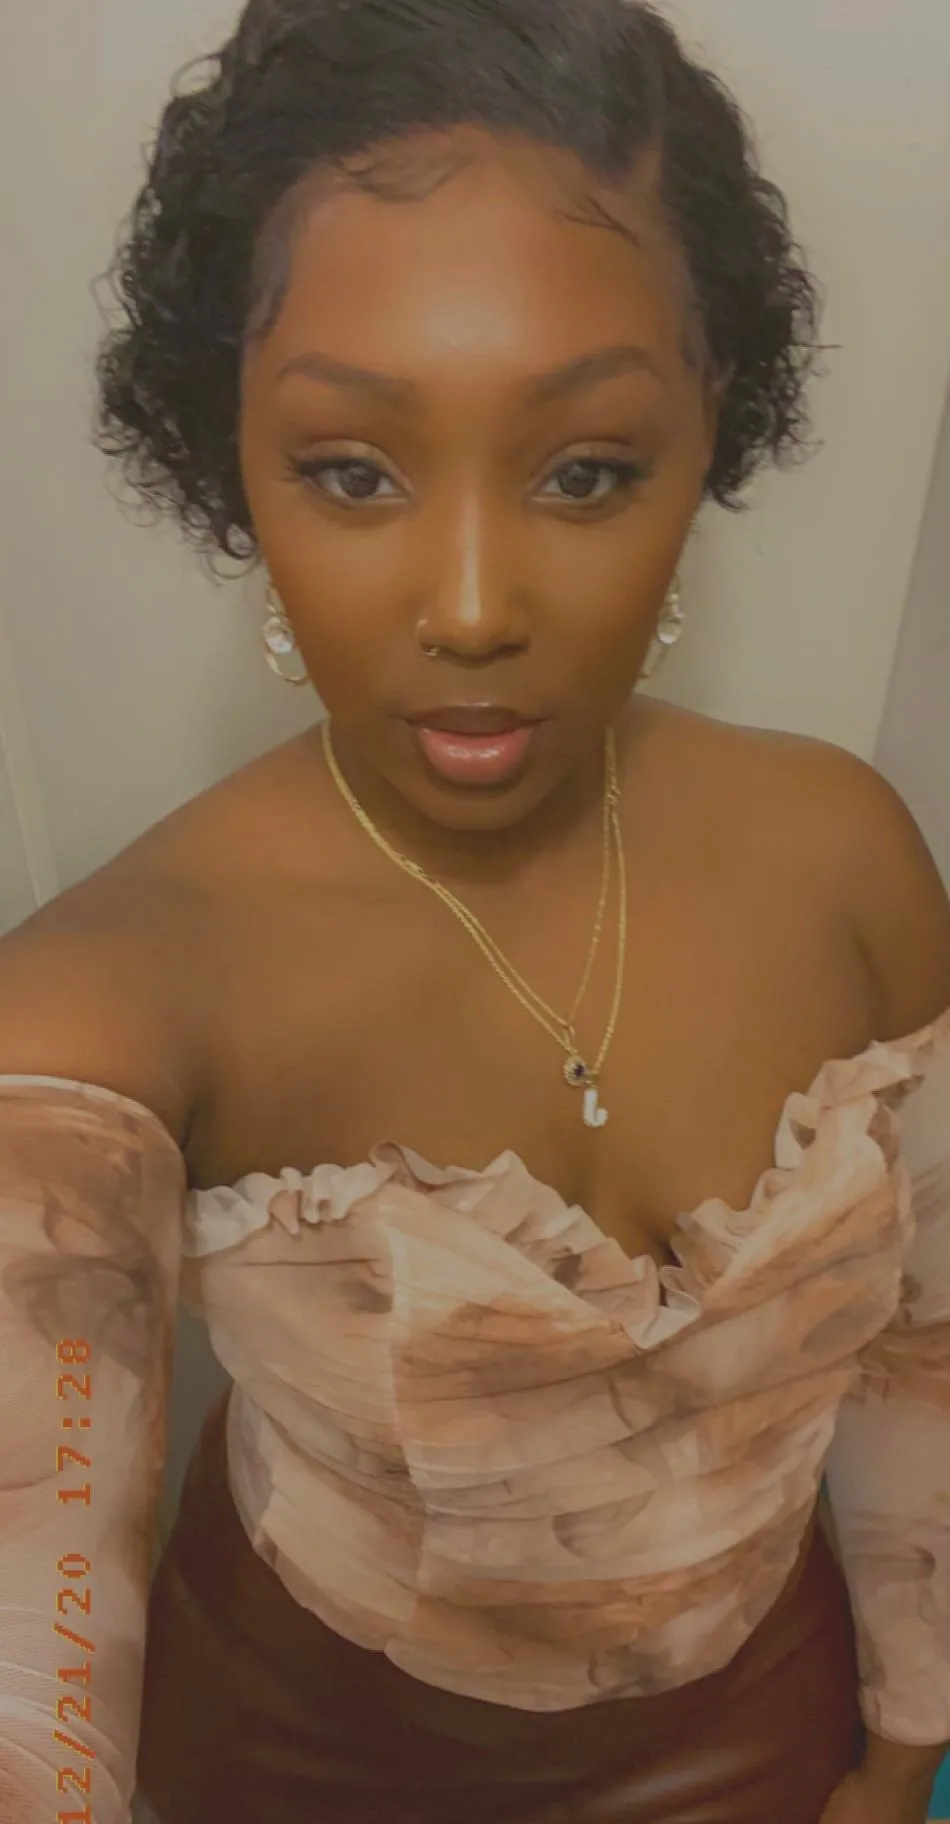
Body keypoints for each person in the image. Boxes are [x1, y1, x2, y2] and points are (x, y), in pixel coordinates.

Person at [1, 1, 948, 1819]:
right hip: (306, 1767)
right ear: (230, 455)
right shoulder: (109, 1002)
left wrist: (904, 1745)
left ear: (706, 431)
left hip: (771, 1727)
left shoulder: (845, 855)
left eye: (583, 469)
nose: (468, 605)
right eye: (351, 471)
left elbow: (922, 1341)